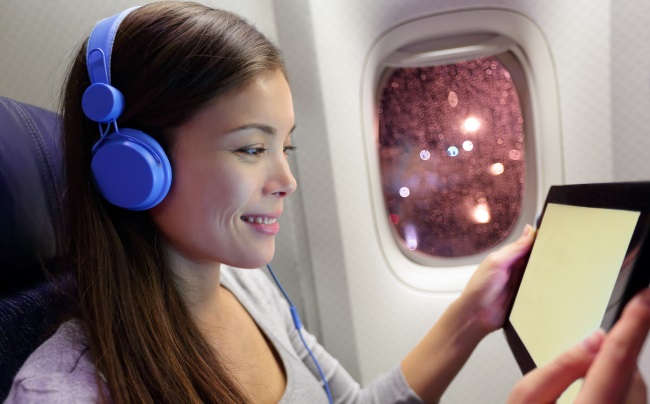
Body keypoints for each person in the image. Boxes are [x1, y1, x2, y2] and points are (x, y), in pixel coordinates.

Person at [3, 2, 649, 403]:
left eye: (288, 146)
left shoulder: (246, 290)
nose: (286, 179)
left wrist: (468, 318)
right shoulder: (61, 392)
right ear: (132, 169)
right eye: (252, 149)